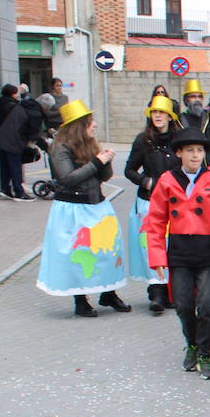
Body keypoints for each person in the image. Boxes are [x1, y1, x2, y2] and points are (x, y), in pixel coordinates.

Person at [142, 128, 210, 380]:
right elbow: (156, 220)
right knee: (183, 305)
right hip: (180, 250)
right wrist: (157, 257)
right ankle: (191, 344)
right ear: (179, 153)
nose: (195, 155)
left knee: (207, 305)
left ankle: (205, 353)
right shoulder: (167, 180)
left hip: (207, 249)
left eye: (200, 150)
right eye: (190, 150)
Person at [37, 100, 131, 316]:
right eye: (90, 122)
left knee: (107, 250)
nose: (95, 125)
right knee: (79, 254)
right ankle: (81, 300)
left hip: (96, 205)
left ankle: (108, 293)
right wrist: (97, 162)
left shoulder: (89, 145)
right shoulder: (60, 147)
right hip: (73, 208)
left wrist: (106, 162)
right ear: (79, 126)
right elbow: (68, 178)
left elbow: (103, 177)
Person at [125, 94, 181, 313]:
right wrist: (145, 181)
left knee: (174, 245)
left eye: (162, 112)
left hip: (176, 202)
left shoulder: (179, 140)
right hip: (149, 202)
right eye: (154, 113)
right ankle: (156, 292)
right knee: (151, 245)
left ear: (169, 116)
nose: (158, 116)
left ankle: (171, 290)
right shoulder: (143, 140)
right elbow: (129, 169)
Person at [0, 84, 35, 202]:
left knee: (5, 166)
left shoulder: (1, 105)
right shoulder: (14, 107)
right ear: (12, 94)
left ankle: (5, 189)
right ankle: (19, 192)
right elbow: (21, 124)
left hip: (3, 139)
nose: (18, 95)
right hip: (13, 140)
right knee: (15, 166)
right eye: (16, 93)